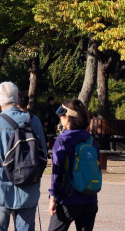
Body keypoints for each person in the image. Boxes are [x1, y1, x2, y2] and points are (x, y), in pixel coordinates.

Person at [0, 82, 48, 231]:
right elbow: (44, 154)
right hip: (29, 186)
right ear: (17, 98)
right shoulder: (34, 120)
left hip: (0, 187)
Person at [47, 99, 99, 231]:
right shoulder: (91, 140)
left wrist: (53, 197)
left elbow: (57, 172)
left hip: (68, 200)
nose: (60, 118)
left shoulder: (62, 140)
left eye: (61, 116)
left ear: (68, 118)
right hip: (90, 198)